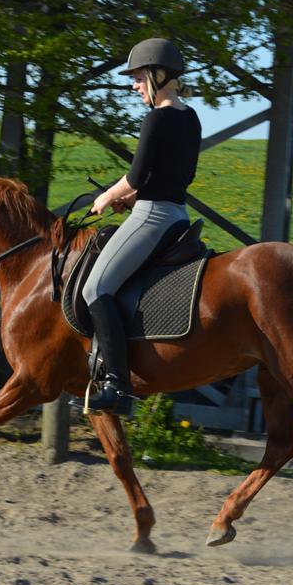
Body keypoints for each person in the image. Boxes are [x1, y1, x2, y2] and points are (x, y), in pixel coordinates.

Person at [81, 37, 202, 414]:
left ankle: (117, 387)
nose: (133, 86)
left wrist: (105, 198)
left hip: (152, 217)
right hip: (176, 215)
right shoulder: (191, 117)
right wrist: (131, 196)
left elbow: (136, 176)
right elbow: (175, 175)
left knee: (95, 289)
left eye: (136, 77)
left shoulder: (158, 117)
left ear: (156, 74)